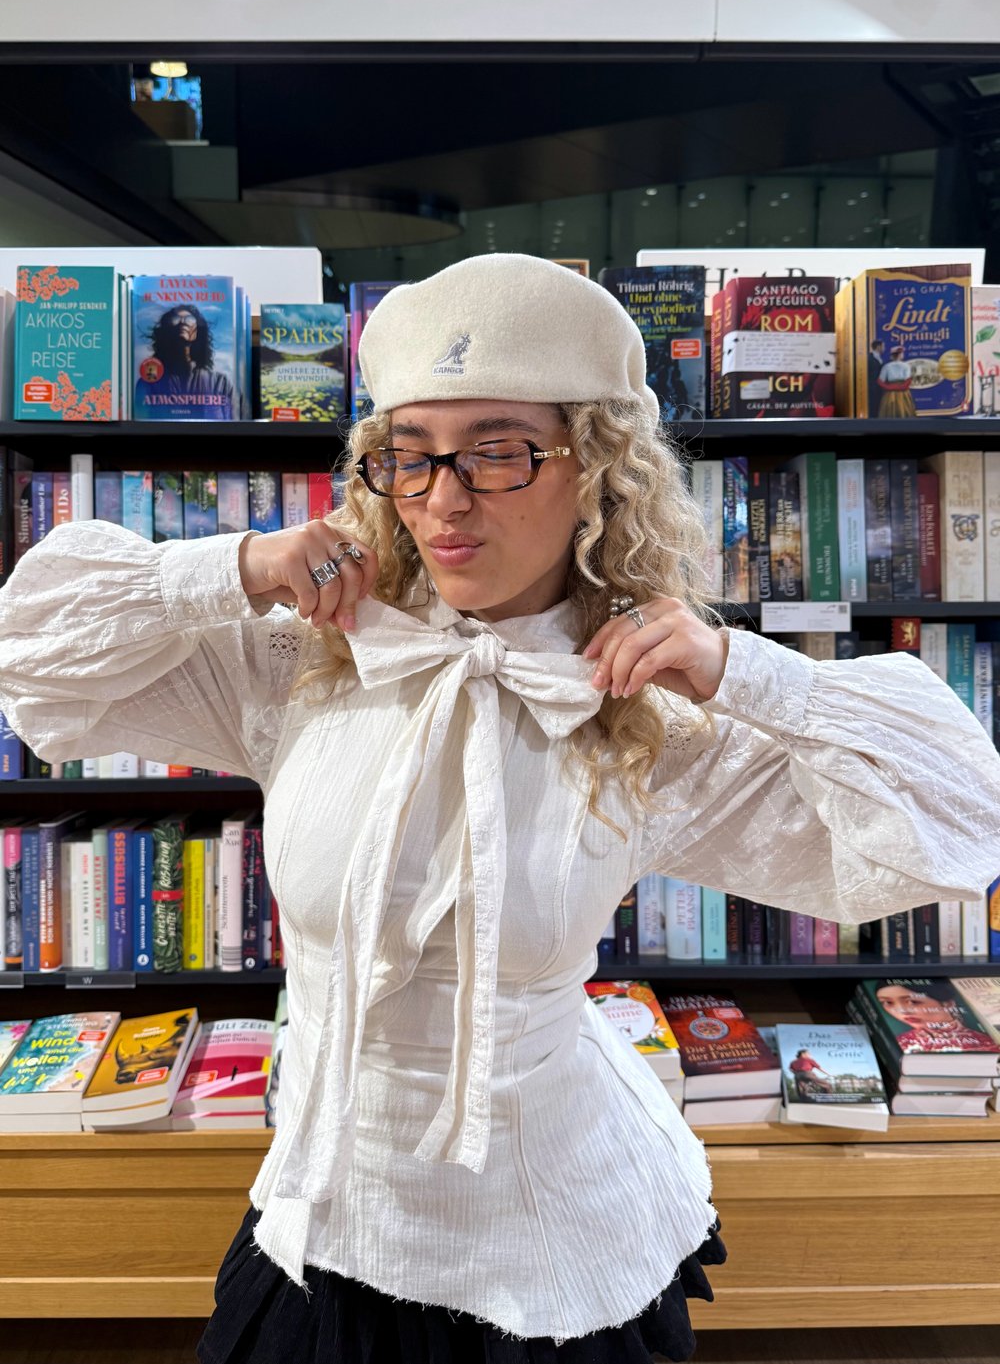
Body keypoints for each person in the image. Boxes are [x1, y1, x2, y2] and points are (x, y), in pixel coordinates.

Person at [0, 253, 999, 1364]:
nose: (442, 499)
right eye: (408, 456)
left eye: (497, 449)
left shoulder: (651, 717)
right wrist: (232, 563)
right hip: (323, 1221)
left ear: (598, 465)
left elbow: (954, 822)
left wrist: (747, 672)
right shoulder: (304, 662)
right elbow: (30, 655)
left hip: (561, 1250)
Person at [134, 303, 234, 411]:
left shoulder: (220, 383)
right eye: (175, 319)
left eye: (190, 319)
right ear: (166, 331)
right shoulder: (148, 385)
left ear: (198, 331)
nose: (182, 322)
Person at [876, 345, 915, 418]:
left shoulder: (887, 366)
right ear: (900, 355)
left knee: (889, 411)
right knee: (905, 410)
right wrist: (901, 387)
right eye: (902, 353)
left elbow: (880, 381)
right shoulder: (906, 366)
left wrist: (889, 387)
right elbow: (907, 380)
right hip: (903, 393)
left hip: (890, 394)